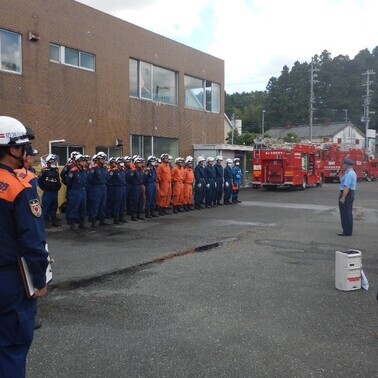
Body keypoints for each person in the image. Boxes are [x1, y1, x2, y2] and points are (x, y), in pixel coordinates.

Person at [0, 116, 48, 377]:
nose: (26, 152)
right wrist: (39, 280)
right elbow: (33, 242)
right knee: (11, 349)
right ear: (12, 149)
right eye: (23, 147)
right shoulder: (19, 188)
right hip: (10, 278)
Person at [38, 154, 62, 228]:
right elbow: (40, 181)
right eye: (52, 162)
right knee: (45, 208)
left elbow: (58, 181)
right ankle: (44, 222)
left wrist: (57, 188)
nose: (54, 163)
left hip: (54, 192)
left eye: (54, 162)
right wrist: (45, 188)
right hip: (47, 193)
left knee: (54, 207)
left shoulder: (56, 171)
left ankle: (54, 221)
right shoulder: (45, 171)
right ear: (48, 163)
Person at [338, 157, 357, 236]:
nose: (342, 165)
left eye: (343, 164)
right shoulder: (351, 172)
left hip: (346, 194)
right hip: (350, 194)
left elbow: (346, 187)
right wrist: (340, 175)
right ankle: (348, 230)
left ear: (346, 165)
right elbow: (343, 182)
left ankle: (346, 231)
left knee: (345, 213)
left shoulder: (349, 174)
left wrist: (343, 198)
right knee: (348, 213)